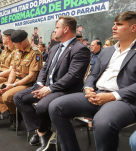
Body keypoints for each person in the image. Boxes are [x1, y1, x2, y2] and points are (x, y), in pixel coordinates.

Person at [49, 11, 136, 151]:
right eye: (114, 24)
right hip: (96, 94)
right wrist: (87, 88)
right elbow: (93, 75)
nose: (113, 27)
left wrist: (112, 96)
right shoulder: (107, 51)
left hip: (123, 100)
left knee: (102, 122)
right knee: (55, 106)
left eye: (119, 25)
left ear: (133, 28)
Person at [14, 16, 90, 151]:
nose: (54, 31)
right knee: (19, 97)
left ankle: (42, 132)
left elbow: (73, 76)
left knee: (42, 107)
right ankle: (43, 131)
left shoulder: (80, 49)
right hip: (47, 87)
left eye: (57, 28)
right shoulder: (55, 48)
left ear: (66, 29)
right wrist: (39, 83)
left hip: (65, 90)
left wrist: (49, 89)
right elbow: (45, 69)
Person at [0, 30, 43, 131]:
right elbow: (13, 70)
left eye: (14, 43)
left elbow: (31, 76)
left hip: (28, 84)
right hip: (15, 82)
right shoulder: (17, 51)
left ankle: (15, 117)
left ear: (19, 43)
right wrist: (9, 84)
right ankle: (13, 113)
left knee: (6, 96)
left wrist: (13, 86)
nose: (13, 45)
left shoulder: (35, 53)